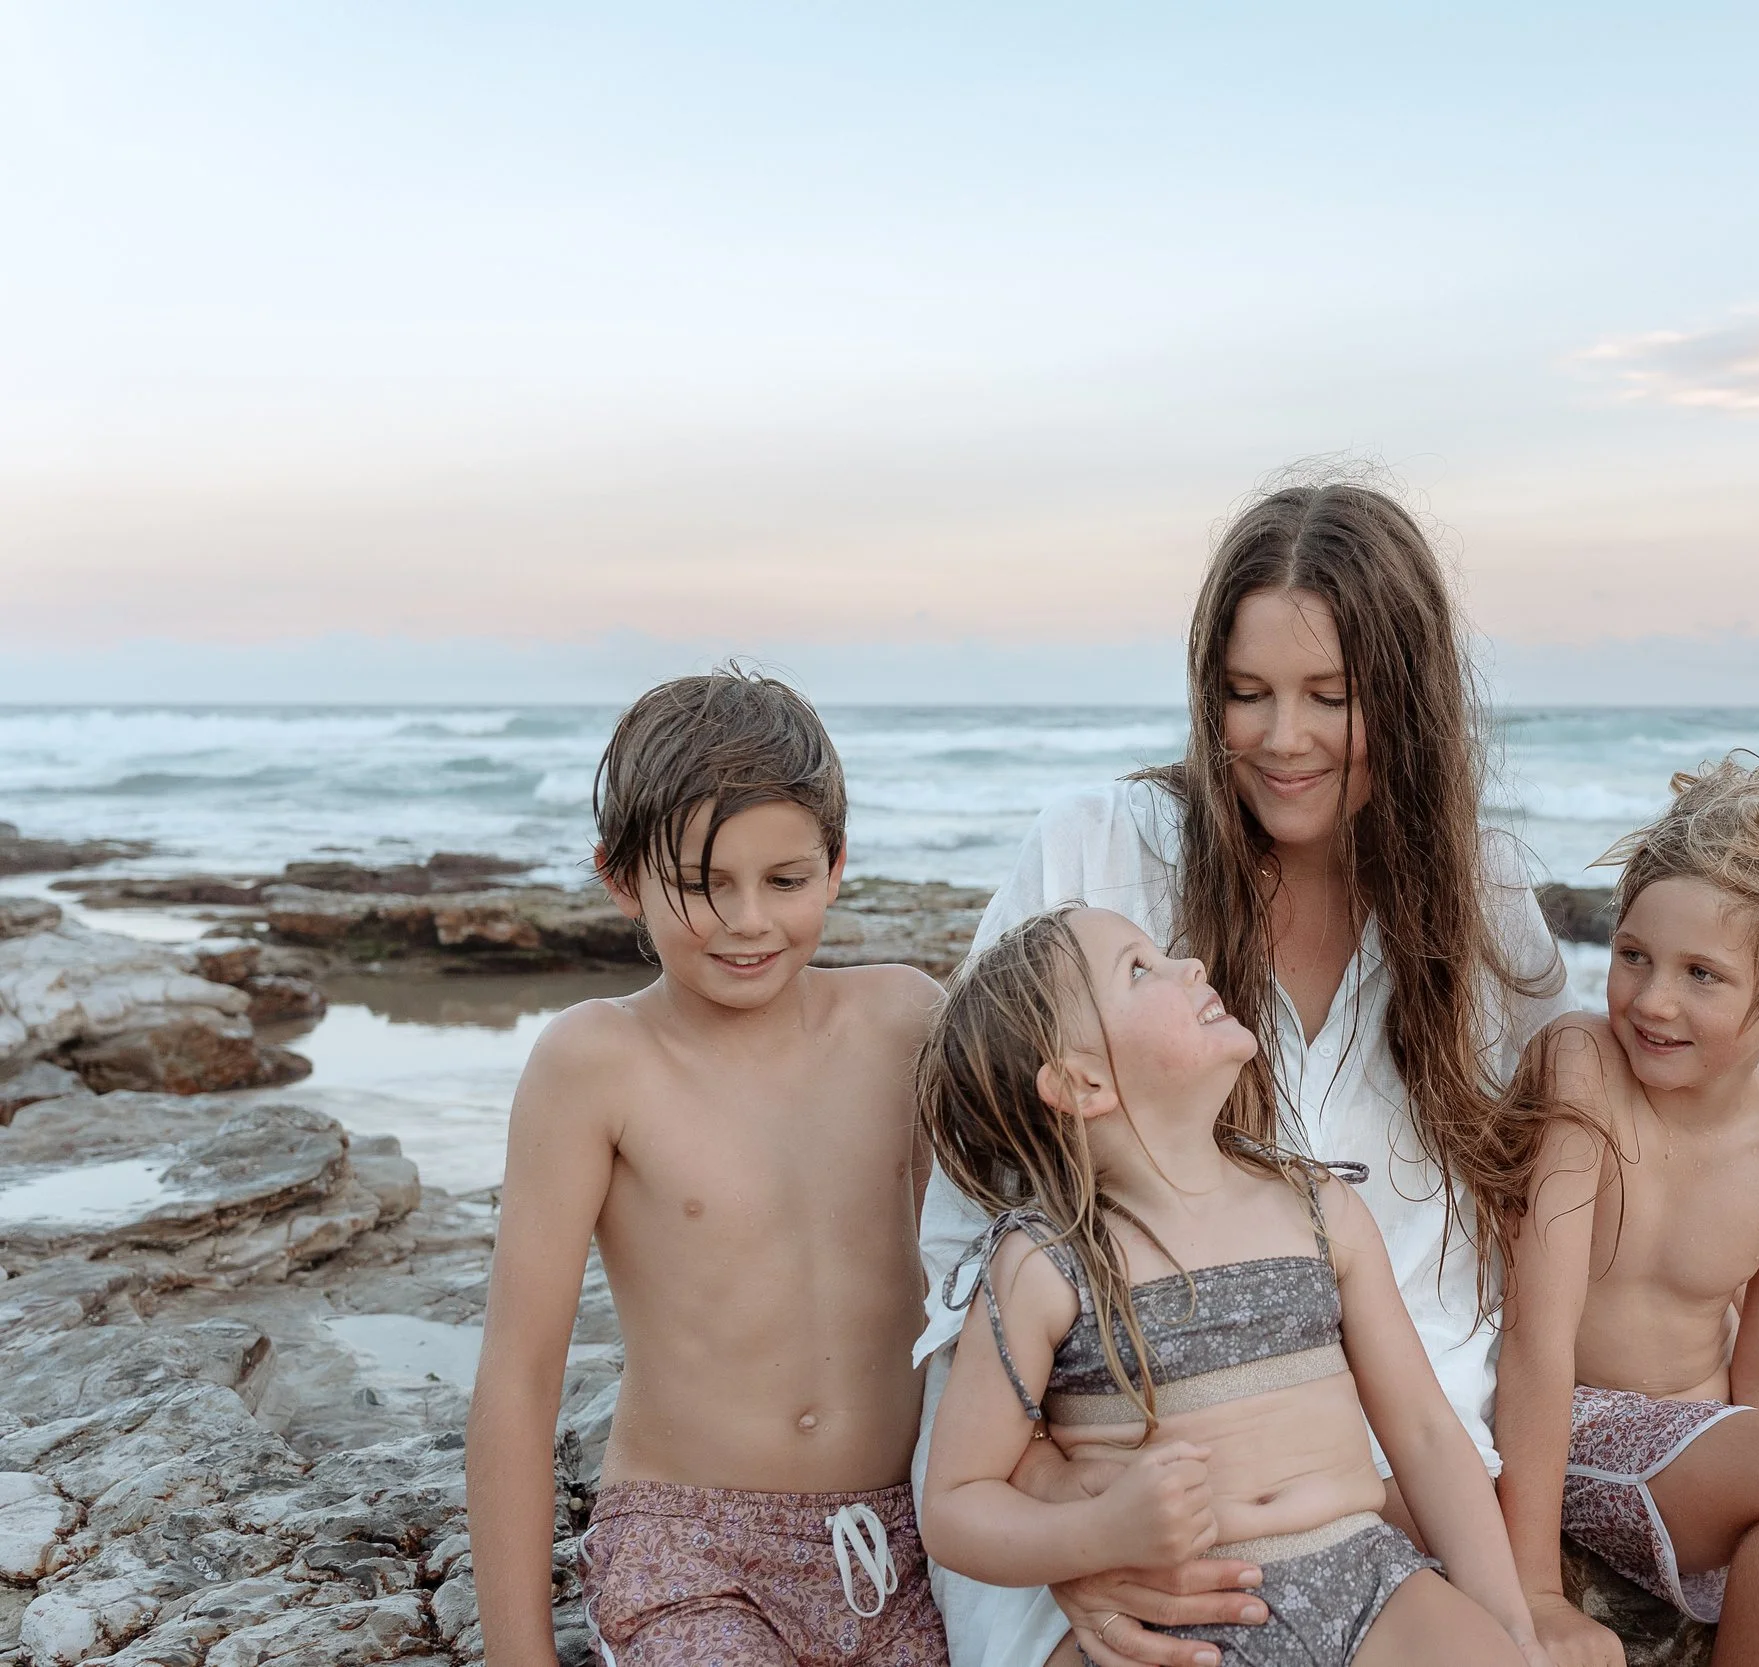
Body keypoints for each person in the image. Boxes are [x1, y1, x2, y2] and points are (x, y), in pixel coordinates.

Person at [915, 479, 1572, 1667]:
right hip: (1115, 1488)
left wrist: (1523, 1592)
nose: (1281, 738)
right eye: (1245, 691)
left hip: (1382, 1485)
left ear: (1408, 697)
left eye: (1331, 694)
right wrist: (1080, 1527)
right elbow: (965, 1222)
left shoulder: (1482, 905)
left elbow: (1530, 1236)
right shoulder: (1096, 854)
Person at [918, 906, 1552, 1667]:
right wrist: (1092, 1536)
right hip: (1178, 1619)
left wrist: (1512, 1624)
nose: (1189, 965)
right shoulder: (1046, 1265)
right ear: (1083, 1082)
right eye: (1139, 969)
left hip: (1367, 1579)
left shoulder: (1317, 1208)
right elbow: (956, 1503)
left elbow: (1424, 1431)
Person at [467, 671, 947, 1667]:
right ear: (620, 878)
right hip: (689, 1542)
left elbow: (997, 1267)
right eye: (702, 884)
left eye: (785, 880)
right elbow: (519, 1376)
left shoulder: (904, 1020)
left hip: (910, 1529)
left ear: (837, 865)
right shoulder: (596, 1062)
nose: (747, 919)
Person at [1491, 756, 1759, 1667]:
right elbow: (1534, 1340)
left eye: (1702, 974)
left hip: (1694, 1460)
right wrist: (1533, 1592)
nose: (1652, 1000)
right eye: (1632, 954)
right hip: (1568, 1428)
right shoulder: (1581, 1065)